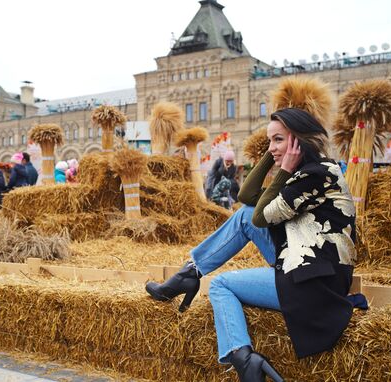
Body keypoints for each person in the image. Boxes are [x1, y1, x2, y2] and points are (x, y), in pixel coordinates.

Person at [146, 108, 357, 382]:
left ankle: (243, 359)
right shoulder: (308, 171)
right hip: (305, 262)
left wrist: (283, 167)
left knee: (221, 285)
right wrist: (275, 153)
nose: (273, 148)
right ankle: (190, 273)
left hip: (314, 282)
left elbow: (261, 217)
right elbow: (247, 197)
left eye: (279, 140)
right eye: (270, 141)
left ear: (299, 141)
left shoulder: (314, 176)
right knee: (243, 214)